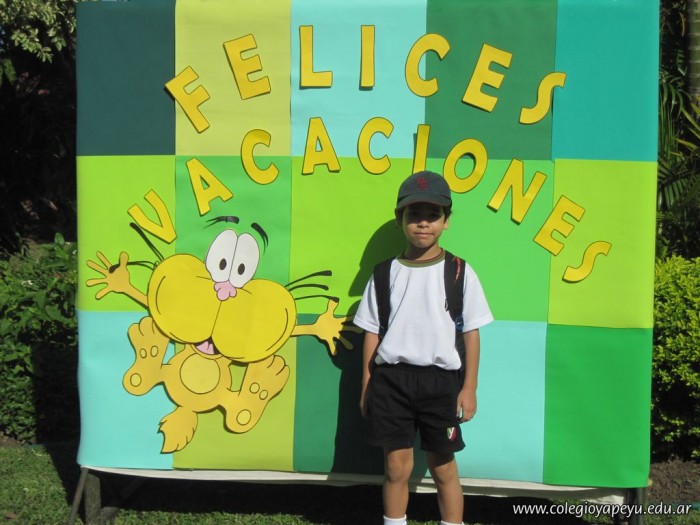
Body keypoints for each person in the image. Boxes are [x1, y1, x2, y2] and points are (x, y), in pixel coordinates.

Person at [354, 171, 493, 525]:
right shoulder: (383, 274)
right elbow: (371, 333)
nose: (423, 223)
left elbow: (471, 334)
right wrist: (367, 384)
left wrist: (469, 388)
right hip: (391, 383)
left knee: (443, 466)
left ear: (446, 221)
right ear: (399, 218)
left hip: (441, 384)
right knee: (395, 466)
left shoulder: (460, 272)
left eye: (433, 215)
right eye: (414, 214)